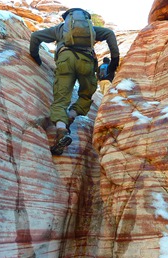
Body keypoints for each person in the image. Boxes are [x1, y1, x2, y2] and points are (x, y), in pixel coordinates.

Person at [29, 8, 119, 155]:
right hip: (87, 62)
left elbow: (35, 36)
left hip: (65, 61)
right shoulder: (92, 30)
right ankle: (71, 116)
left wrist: (36, 57)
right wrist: (115, 60)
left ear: (66, 18)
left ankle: (61, 131)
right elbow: (110, 33)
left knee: (60, 101)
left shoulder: (60, 29)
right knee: (85, 96)